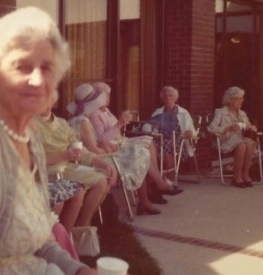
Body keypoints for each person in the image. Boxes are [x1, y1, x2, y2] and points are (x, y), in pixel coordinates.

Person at [0, 7, 96, 275]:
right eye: (22, 66)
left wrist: (77, 270)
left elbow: (39, 237)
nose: (37, 80)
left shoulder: (30, 140)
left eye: (47, 67)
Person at [67, 83, 183, 211]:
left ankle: (152, 191)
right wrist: (114, 136)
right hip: (98, 159)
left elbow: (96, 145)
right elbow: (95, 147)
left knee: (140, 152)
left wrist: (108, 145)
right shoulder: (84, 121)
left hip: (104, 152)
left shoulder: (82, 119)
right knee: (137, 155)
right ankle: (153, 190)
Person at [34, 92, 117, 227]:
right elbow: (33, 159)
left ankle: (82, 224)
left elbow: (82, 152)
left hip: (67, 167)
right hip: (50, 170)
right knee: (99, 182)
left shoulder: (62, 123)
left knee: (105, 177)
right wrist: (63, 156)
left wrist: (104, 165)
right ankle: (80, 226)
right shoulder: (30, 125)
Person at [207, 86, 257, 188]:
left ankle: (245, 174)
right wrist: (227, 128)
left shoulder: (242, 113)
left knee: (250, 144)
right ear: (230, 99)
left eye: (242, 98)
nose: (241, 101)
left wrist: (250, 127)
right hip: (224, 140)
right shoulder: (220, 112)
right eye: (238, 98)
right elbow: (211, 128)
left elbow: (250, 126)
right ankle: (237, 176)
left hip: (238, 139)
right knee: (242, 145)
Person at [149, 86, 197, 184]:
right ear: (162, 98)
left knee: (167, 146)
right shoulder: (157, 112)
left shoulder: (183, 113)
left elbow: (192, 131)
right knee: (148, 145)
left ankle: (169, 177)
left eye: (171, 96)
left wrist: (190, 133)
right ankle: (155, 177)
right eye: (165, 96)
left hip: (179, 140)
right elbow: (151, 128)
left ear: (175, 98)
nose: (168, 98)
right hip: (160, 139)